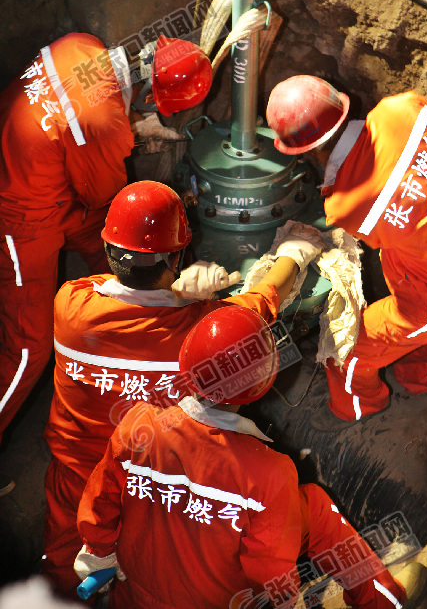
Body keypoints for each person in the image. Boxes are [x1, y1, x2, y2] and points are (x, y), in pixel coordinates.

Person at [43, 178, 325, 599]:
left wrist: (173, 289)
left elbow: (121, 298)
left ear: (107, 247)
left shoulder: (69, 304)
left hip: (74, 473)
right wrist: (294, 252)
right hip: (151, 481)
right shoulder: (200, 327)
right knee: (153, 567)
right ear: (176, 255)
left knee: (65, 566)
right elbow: (263, 301)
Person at [74, 304, 425, 609]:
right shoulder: (268, 473)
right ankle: (384, 600)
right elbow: (269, 572)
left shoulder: (137, 426)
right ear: (264, 382)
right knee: (315, 507)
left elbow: (100, 503)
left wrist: (99, 553)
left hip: (134, 598)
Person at [0, 32, 213, 476]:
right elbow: (102, 197)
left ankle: (133, 323)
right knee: (27, 348)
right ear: (150, 98)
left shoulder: (83, 46)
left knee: (116, 251)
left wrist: (123, 127)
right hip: (19, 212)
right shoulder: (104, 125)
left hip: (33, 169)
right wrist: (124, 134)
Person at [266, 76, 427, 425]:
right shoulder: (405, 107)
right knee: (414, 291)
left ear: (306, 151)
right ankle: (417, 380)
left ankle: (358, 414)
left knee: (344, 349)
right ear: (341, 105)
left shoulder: (344, 205)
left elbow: (368, 230)